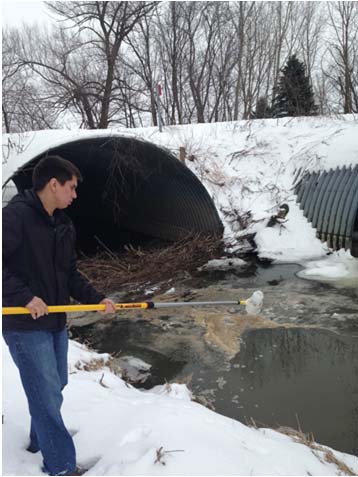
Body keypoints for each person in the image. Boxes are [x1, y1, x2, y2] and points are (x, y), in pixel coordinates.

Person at [2, 155, 116, 476]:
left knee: (55, 385)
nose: (75, 195)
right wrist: (24, 297)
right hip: (24, 325)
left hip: (55, 322)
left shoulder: (64, 224)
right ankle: (61, 466)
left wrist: (97, 299)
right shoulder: (15, 218)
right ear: (54, 184)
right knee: (45, 392)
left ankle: (40, 441)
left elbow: (70, 274)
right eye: (72, 187)